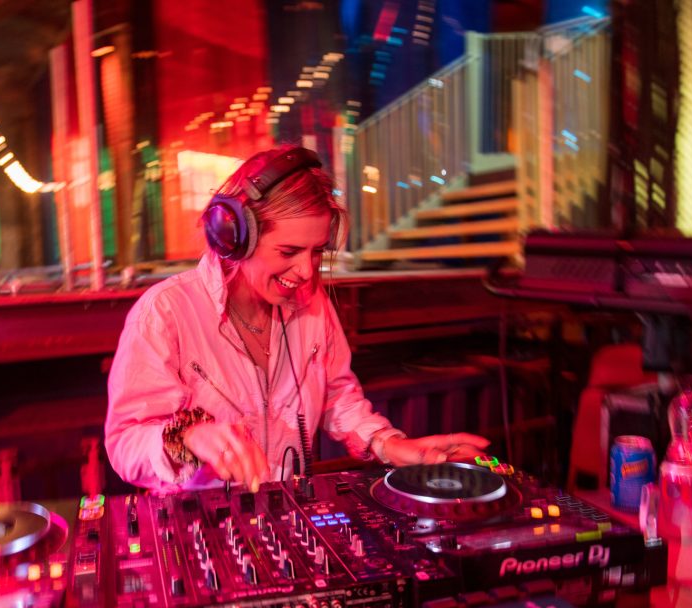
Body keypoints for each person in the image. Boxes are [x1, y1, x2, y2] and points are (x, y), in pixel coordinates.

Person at [105, 145, 488, 492]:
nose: (306, 271)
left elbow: (336, 396)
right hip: (200, 523)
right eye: (288, 251)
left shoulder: (311, 303)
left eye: (317, 251)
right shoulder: (165, 312)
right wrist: (188, 438)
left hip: (287, 512)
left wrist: (387, 443)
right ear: (235, 237)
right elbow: (125, 443)